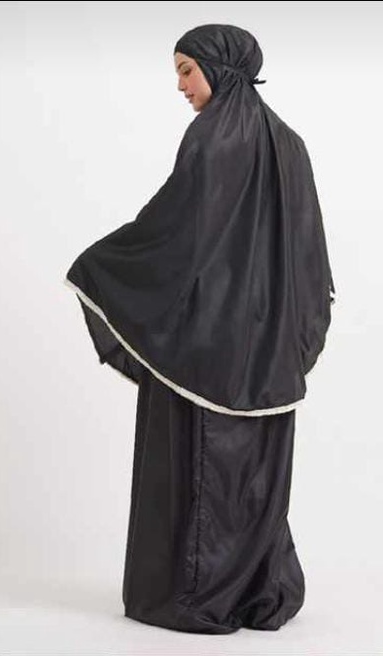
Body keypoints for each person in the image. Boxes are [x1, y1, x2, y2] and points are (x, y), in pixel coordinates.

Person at [63, 24, 335, 634]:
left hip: (205, 346)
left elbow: (174, 234)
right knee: (254, 473)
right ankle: (260, 592)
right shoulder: (291, 143)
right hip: (269, 348)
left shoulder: (213, 137)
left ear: (220, 67)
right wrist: (293, 336)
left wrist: (106, 265)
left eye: (187, 70)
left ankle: (195, 596)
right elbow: (310, 252)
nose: (182, 86)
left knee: (200, 466)